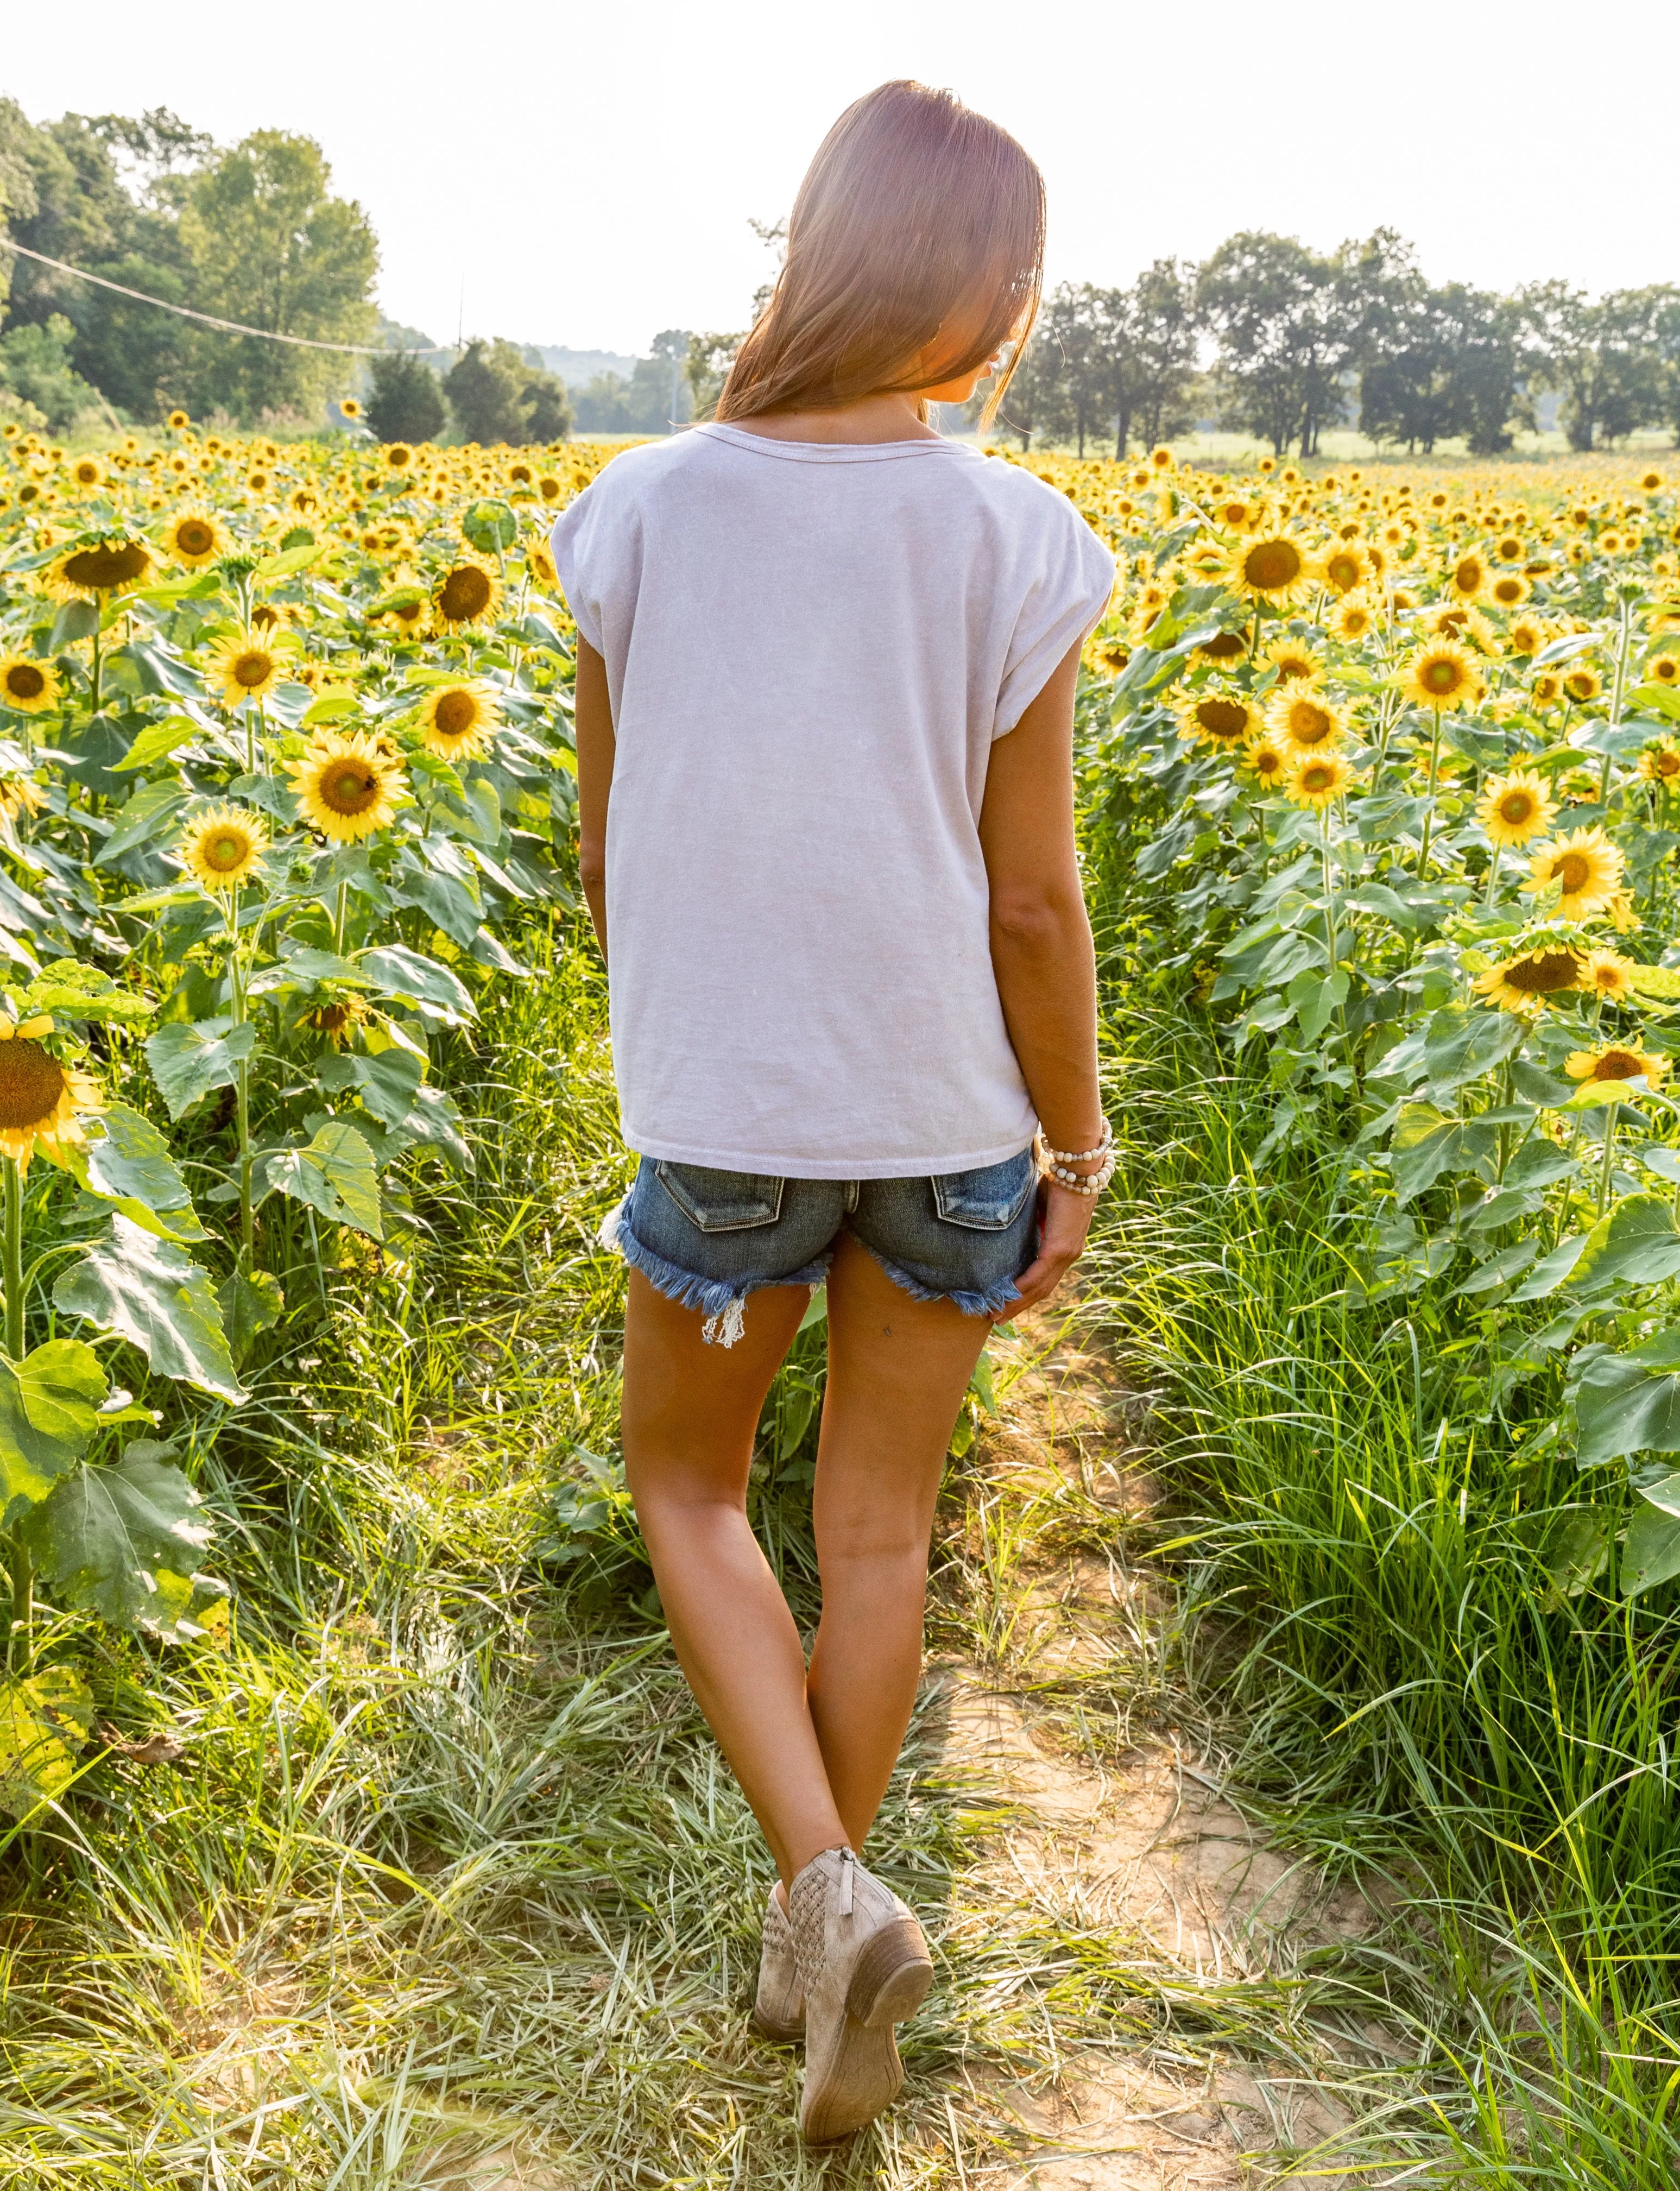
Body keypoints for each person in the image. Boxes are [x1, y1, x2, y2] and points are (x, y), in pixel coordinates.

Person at [553, 78, 1116, 2148]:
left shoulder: (632, 510)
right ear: (987, 289)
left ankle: (821, 1906)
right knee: (875, 1527)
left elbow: (612, 850)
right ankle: (833, 1923)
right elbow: (1035, 896)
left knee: (692, 1496)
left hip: (727, 1118)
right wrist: (1076, 1147)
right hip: (953, 1121)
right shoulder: (1014, 532)